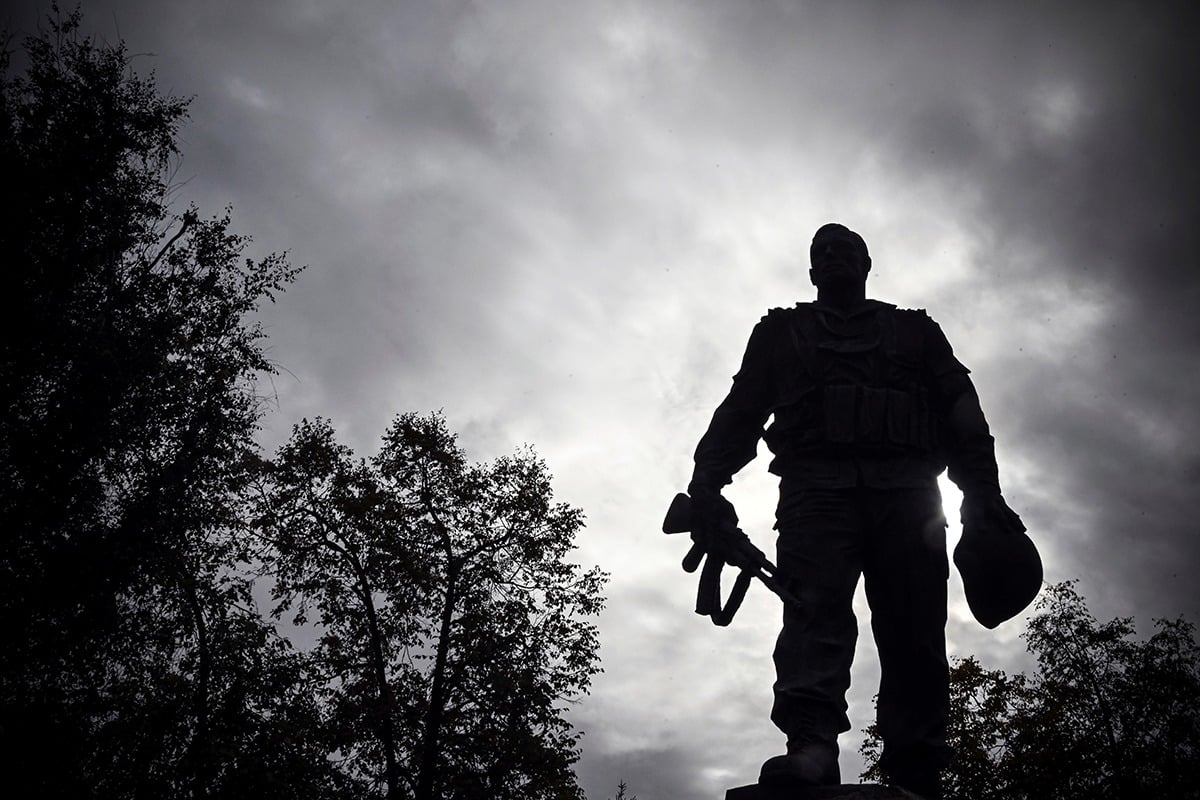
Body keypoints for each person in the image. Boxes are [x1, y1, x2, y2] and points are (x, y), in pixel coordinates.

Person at [687, 223, 1023, 800]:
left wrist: (984, 495)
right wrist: (706, 484)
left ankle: (916, 763)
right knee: (811, 617)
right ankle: (811, 746)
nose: (832, 257)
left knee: (915, 630)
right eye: (820, 253)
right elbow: (742, 410)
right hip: (815, 493)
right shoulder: (780, 334)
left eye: (845, 249)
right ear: (811, 272)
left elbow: (963, 412)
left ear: (868, 264)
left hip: (910, 496)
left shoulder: (915, 332)